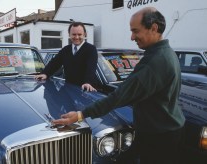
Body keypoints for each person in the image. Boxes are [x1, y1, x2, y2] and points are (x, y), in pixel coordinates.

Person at [52, 7, 185, 164]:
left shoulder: (155, 62)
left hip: (158, 135)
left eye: (136, 31)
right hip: (161, 128)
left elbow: (119, 96)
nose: (132, 37)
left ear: (154, 28)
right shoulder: (165, 52)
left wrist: (81, 115)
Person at [35, 22, 98, 92]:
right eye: (74, 34)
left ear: (85, 34)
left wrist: (88, 82)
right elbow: (55, 63)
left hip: (85, 90)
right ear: (69, 35)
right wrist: (45, 73)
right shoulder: (65, 49)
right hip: (69, 89)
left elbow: (91, 68)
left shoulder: (91, 49)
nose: (76, 37)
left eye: (79, 34)